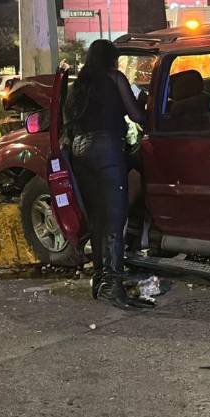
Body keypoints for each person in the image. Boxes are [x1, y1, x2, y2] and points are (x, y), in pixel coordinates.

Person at [64, 39, 152, 309]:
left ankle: (100, 281)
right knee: (115, 219)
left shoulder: (78, 85)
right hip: (106, 149)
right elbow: (137, 116)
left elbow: (68, 121)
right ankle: (113, 286)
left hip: (79, 153)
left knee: (98, 220)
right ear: (112, 59)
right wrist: (145, 104)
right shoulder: (114, 78)